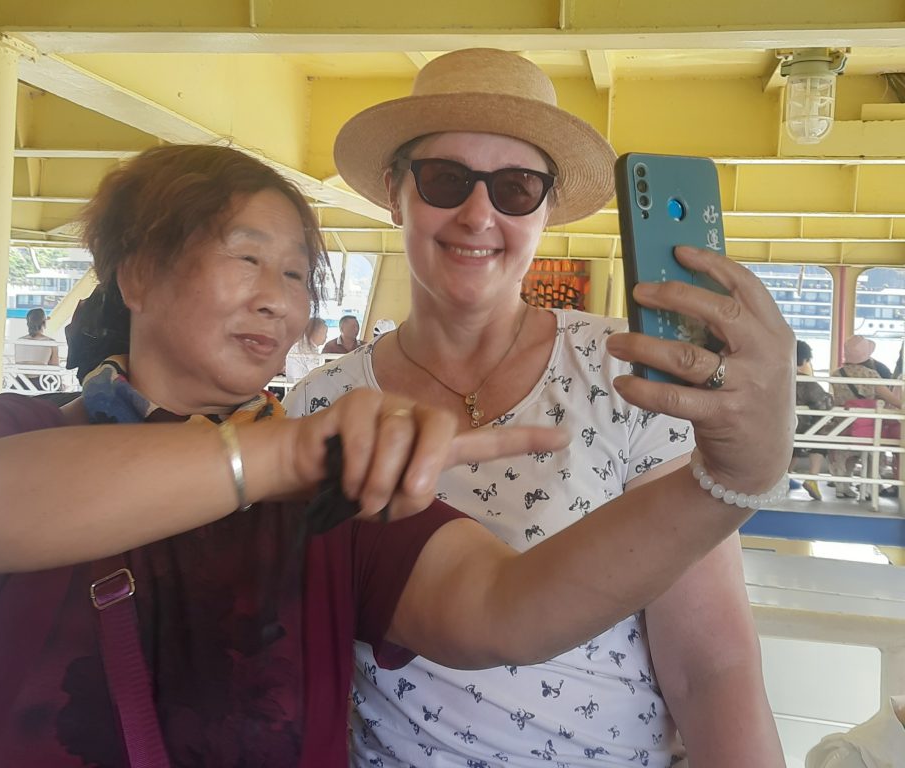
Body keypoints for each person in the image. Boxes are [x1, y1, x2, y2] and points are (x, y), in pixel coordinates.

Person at [0, 144, 790, 767]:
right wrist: (280, 457)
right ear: (136, 274)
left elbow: (502, 611)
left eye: (296, 275)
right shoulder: (14, 431)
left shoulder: (334, 480)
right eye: (247, 259)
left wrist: (726, 482)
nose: (277, 301)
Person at [288, 47, 792, 768]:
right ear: (395, 193)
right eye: (445, 179)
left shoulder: (628, 371)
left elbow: (711, 667)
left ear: (546, 210)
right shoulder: (320, 405)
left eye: (516, 189)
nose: (477, 214)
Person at [830, 334, 903, 500]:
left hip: (842, 424)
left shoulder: (836, 374)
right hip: (866, 426)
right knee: (874, 452)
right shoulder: (871, 375)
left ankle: (843, 486)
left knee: (848, 452)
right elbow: (892, 399)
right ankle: (869, 487)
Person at [794, 340, 832, 501]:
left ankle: (783, 476)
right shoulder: (805, 382)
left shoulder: (770, 377)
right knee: (822, 433)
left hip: (769, 428)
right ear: (803, 360)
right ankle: (812, 478)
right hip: (797, 427)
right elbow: (823, 405)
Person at [14, 307, 61, 391]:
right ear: (44, 323)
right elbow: (55, 368)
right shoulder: (50, 342)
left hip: (19, 383)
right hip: (40, 384)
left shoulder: (19, 341)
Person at [283, 316, 327, 383]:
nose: (326, 336)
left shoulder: (300, 345)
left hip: (297, 385)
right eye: (324, 333)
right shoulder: (307, 349)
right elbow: (316, 372)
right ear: (315, 332)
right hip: (303, 385)